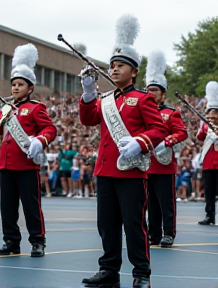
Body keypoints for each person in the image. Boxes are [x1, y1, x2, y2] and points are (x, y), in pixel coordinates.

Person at [79, 15, 169, 288]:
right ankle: (108, 270)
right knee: (106, 225)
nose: (115, 70)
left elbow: (159, 130)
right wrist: (87, 93)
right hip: (105, 170)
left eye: (120, 66)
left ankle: (141, 273)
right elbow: (88, 119)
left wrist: (140, 142)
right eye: (112, 66)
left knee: (134, 225)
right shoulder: (105, 100)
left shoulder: (143, 99)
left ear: (134, 71)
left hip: (130, 172)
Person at [0, 43, 57, 257]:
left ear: (30, 87)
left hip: (26, 164)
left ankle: (38, 241)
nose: (15, 88)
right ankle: (11, 241)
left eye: (20, 84)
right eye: (13, 84)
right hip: (5, 164)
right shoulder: (6, 108)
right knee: (7, 208)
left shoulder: (35, 108)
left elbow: (50, 129)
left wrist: (39, 140)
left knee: (31, 206)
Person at [145, 50, 188, 247]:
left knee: (166, 203)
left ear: (163, 94)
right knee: (150, 204)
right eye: (148, 90)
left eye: (154, 90)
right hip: (146, 164)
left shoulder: (171, 113)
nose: (150, 94)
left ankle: (168, 233)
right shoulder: (141, 112)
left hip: (163, 164)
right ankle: (153, 233)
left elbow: (182, 133)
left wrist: (167, 142)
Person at [197, 81, 218, 225]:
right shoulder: (206, 128)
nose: (211, 119)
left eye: (214, 116)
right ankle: (209, 214)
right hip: (209, 164)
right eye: (209, 117)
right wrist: (205, 127)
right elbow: (199, 138)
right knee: (209, 192)